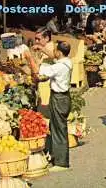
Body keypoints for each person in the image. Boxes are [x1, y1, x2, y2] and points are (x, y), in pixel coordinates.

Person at [24, 41, 72, 172]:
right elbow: (54, 56)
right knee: (56, 127)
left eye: (56, 50)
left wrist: (29, 58)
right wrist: (41, 48)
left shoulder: (59, 67)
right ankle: (56, 156)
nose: (54, 52)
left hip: (59, 98)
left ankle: (62, 163)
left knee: (59, 130)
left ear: (59, 52)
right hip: (63, 97)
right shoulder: (67, 61)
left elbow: (38, 70)